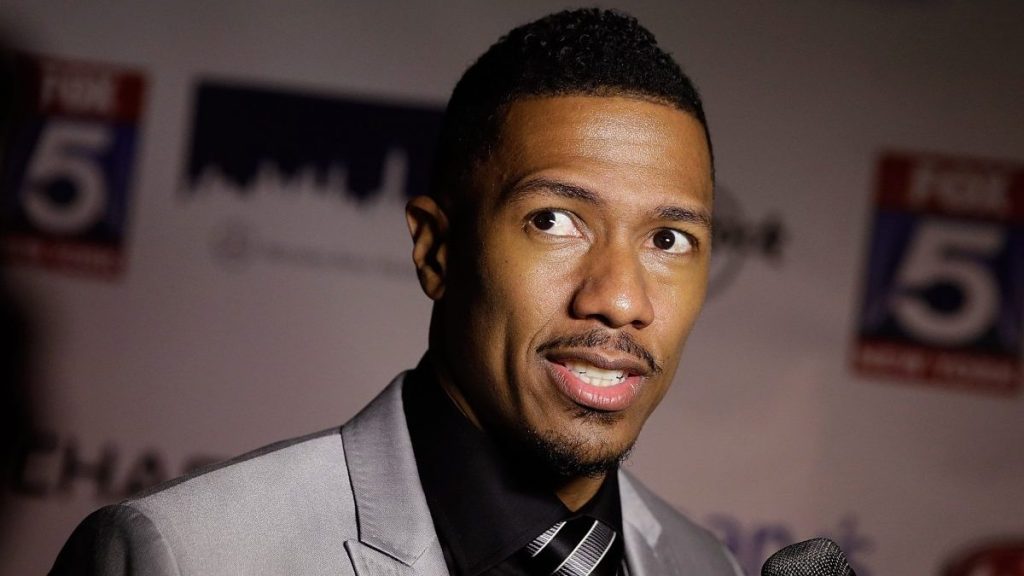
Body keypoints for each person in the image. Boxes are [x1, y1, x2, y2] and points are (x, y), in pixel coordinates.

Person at [52, 8, 742, 575]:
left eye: (669, 240)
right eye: (555, 222)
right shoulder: (183, 555)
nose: (620, 300)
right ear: (436, 250)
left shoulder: (708, 566)